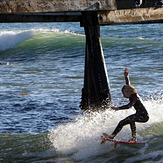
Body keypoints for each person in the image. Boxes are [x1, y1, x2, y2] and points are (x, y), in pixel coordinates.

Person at [103, 68, 149, 142]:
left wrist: (118, 108)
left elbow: (129, 106)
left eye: (124, 93)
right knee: (122, 122)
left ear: (129, 92)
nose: (123, 95)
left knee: (131, 119)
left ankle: (134, 138)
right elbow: (128, 85)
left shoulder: (134, 97)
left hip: (144, 116)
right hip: (138, 114)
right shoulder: (131, 94)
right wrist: (126, 77)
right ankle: (112, 136)